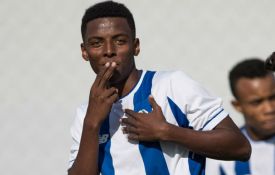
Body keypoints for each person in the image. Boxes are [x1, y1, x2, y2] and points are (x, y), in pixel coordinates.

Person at [67, 1, 251, 174]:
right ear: (84, 52)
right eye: (96, 43)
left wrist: (166, 131)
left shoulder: (172, 85)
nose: (109, 51)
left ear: (136, 46)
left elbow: (240, 147)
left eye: (120, 41)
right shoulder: (85, 115)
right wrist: (92, 124)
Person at [206, 58, 275, 175]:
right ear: (238, 106)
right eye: (257, 102)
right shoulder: (223, 154)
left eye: (273, 98)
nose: (269, 109)